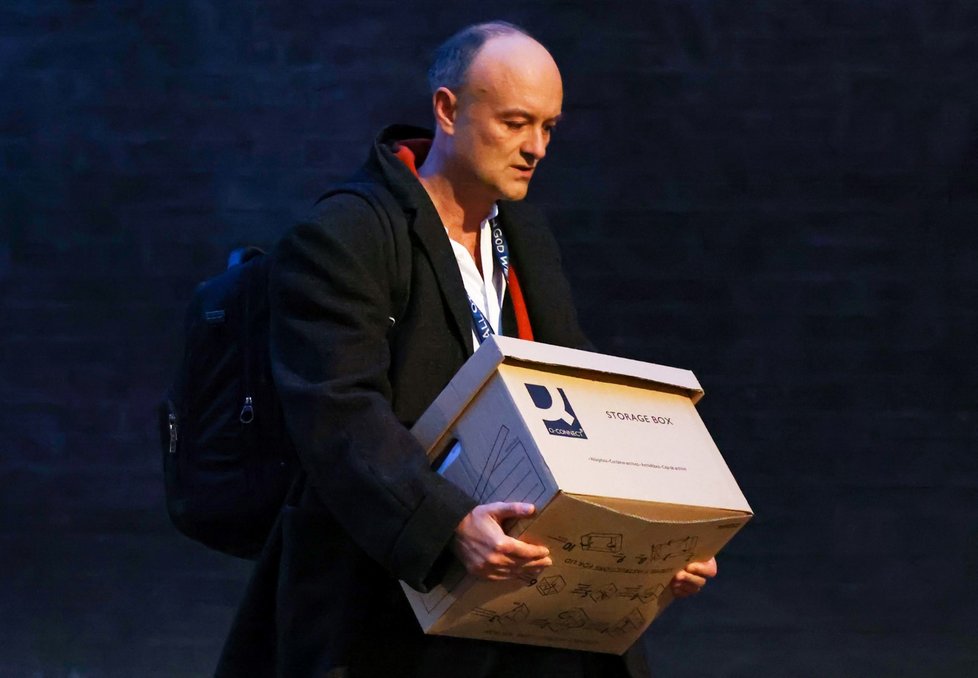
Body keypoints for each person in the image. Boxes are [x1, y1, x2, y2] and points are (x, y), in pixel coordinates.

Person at [216, 21, 717, 678]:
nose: (536, 148)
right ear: (448, 110)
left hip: (523, 594)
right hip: (383, 604)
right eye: (515, 123)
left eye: (548, 127)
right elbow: (339, 416)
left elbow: (579, 386)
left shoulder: (522, 235)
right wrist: (449, 525)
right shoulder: (346, 235)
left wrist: (651, 539)